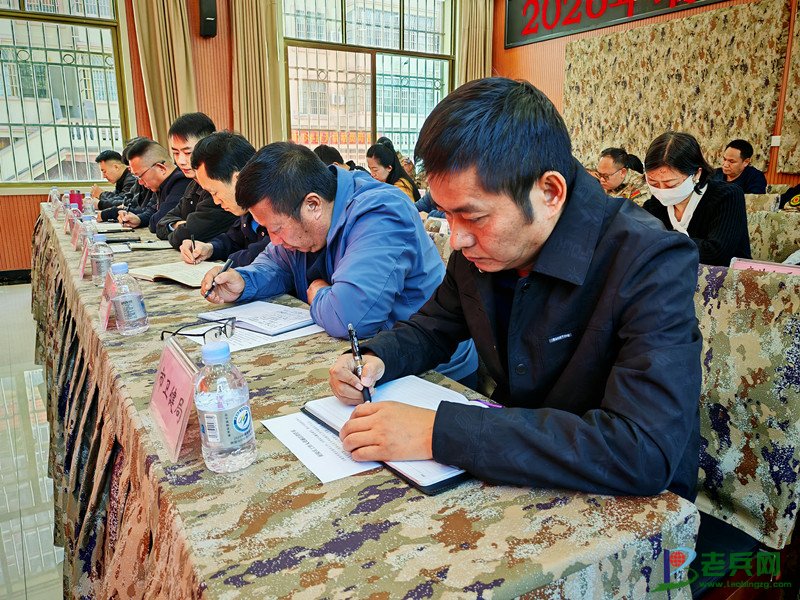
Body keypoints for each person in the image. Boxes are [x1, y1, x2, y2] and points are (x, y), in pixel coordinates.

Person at [328, 77, 701, 503]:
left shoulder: (651, 259)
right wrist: (375, 358)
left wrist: (438, 432)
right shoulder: (481, 249)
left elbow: (640, 449)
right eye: (447, 215)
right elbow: (434, 326)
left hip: (624, 505)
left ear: (550, 192)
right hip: (513, 473)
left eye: (473, 217)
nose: (457, 239)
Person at [200, 141, 477, 382]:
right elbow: (276, 263)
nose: (274, 239)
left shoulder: (381, 212)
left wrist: (318, 294)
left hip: (433, 371)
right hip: (368, 358)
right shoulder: (305, 220)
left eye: (277, 229)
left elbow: (351, 318)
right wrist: (244, 280)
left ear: (313, 205)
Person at [642, 132, 751, 266]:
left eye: (671, 184)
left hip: (724, 276)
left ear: (696, 174)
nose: (662, 190)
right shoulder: (654, 205)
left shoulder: (728, 196)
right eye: (653, 183)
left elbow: (716, 254)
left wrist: (660, 241)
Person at [179, 132, 269, 267]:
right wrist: (209, 248)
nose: (216, 201)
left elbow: (263, 256)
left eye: (214, 192)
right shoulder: (247, 212)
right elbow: (233, 239)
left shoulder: (276, 209)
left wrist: (228, 263)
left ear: (238, 179)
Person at [154, 113, 238, 248]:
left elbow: (187, 234)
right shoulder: (193, 185)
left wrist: (181, 226)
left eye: (188, 153)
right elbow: (160, 223)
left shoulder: (221, 186)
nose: (181, 161)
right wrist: (180, 225)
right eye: (176, 153)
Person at [119, 139, 190, 232]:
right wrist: (139, 219)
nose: (140, 182)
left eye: (140, 176)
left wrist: (151, 219)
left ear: (161, 168)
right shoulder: (160, 185)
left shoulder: (182, 182)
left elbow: (159, 221)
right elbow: (150, 212)